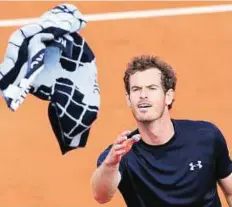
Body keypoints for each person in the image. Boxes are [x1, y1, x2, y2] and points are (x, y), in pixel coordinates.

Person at [91, 55, 232, 207]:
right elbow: (101, 195)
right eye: (136, 89)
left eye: (152, 88)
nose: (143, 95)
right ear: (128, 99)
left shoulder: (206, 136)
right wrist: (111, 164)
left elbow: (230, 191)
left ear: (169, 96)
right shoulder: (120, 155)